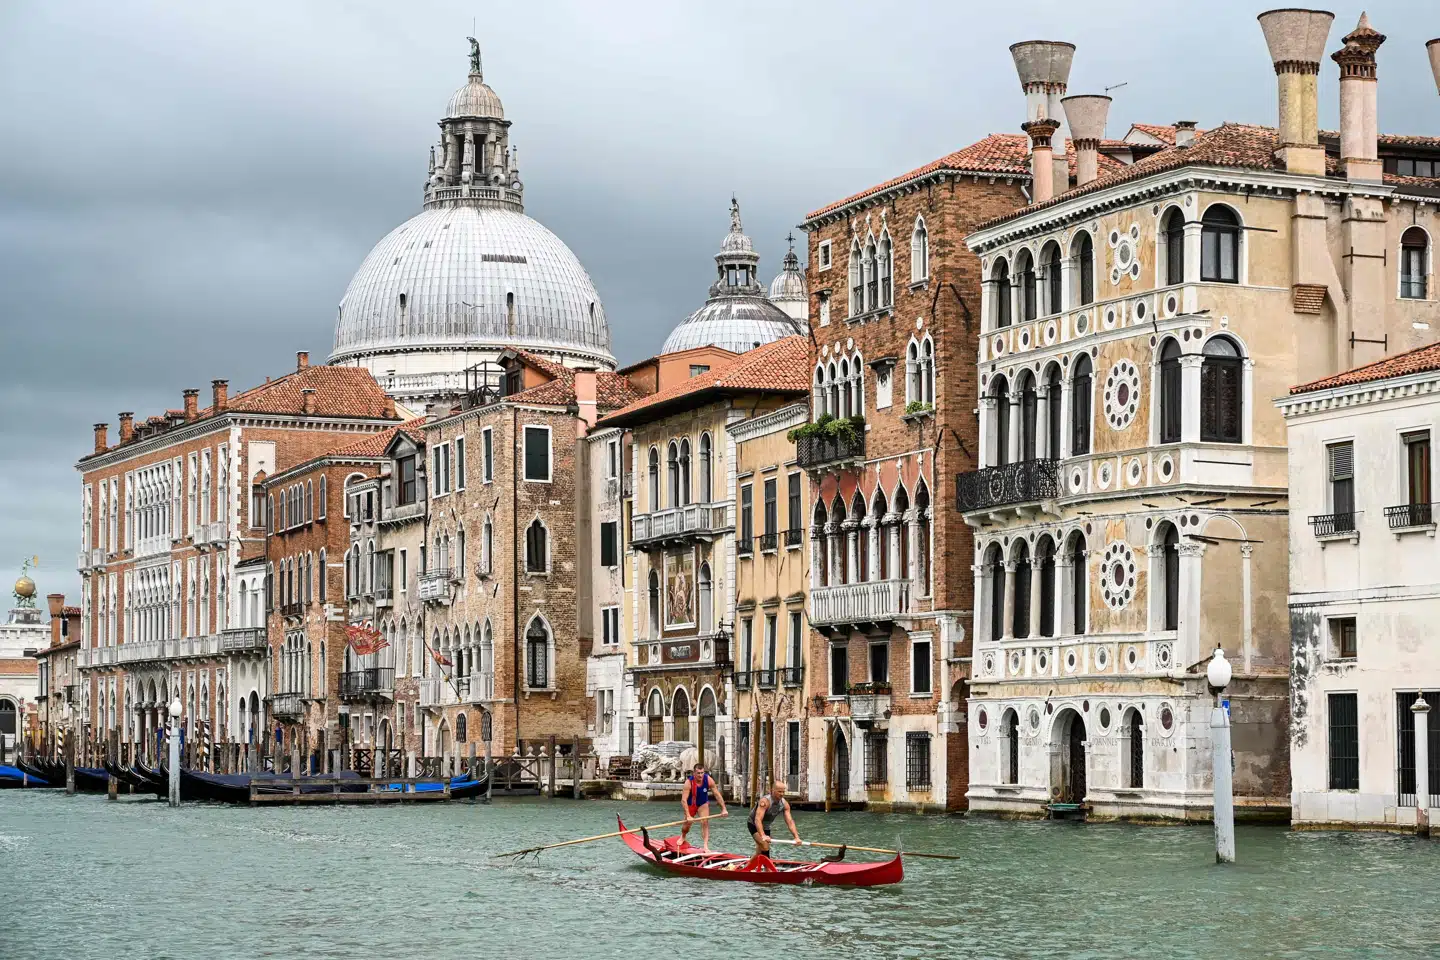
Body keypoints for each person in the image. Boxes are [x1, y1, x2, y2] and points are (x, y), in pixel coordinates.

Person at [747, 779, 800, 868]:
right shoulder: (765, 801)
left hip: (766, 826)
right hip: (754, 824)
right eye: (779, 791)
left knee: (760, 852)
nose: (782, 794)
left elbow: (790, 821)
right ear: (772, 790)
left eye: (783, 792)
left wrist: (796, 837)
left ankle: (746, 868)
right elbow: (757, 819)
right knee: (765, 846)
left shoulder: (784, 804)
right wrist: (762, 835)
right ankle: (769, 870)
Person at [680, 762, 727, 851]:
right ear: (694, 773)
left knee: (705, 822)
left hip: (703, 803)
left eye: (702, 773)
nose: (700, 775)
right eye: (698, 773)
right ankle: (683, 836)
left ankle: (705, 846)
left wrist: (724, 809)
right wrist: (688, 816)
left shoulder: (708, 779)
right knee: (686, 826)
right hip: (691, 804)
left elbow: (717, 794)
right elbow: (683, 800)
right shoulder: (688, 782)